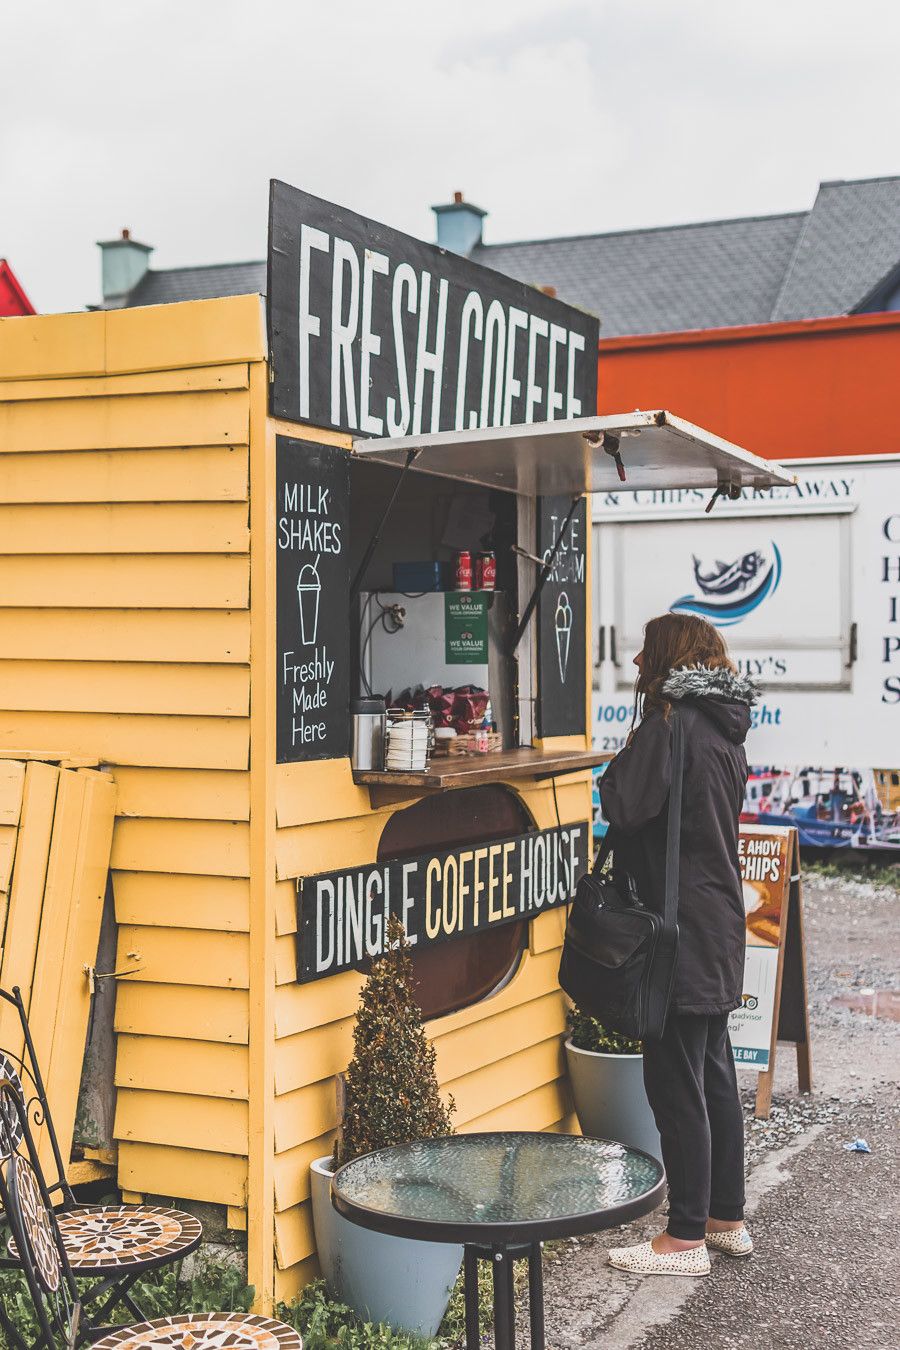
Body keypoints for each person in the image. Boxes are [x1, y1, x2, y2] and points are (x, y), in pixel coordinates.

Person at [599, 612, 757, 1277]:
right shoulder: (723, 728)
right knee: (713, 1070)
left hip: (677, 932)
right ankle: (725, 1218)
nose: (635, 662)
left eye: (646, 652)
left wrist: (636, 738)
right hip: (716, 922)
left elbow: (622, 804)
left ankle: (684, 1236)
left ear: (667, 659)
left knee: (676, 1080)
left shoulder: (671, 728)